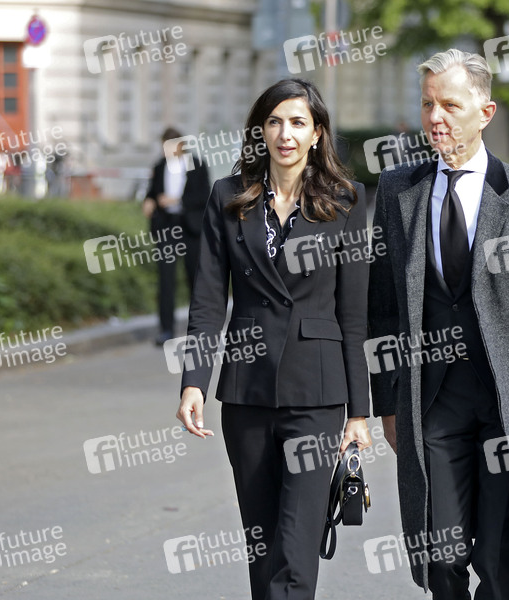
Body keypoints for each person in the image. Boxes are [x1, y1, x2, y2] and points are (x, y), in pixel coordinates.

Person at [368, 49, 509, 599]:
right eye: (427, 105)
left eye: (450, 105)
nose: (435, 117)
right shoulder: (397, 191)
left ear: (485, 113)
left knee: (496, 555)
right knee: (441, 555)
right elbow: (383, 307)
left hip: (508, 405)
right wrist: (388, 404)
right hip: (432, 402)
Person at [175, 78, 372, 600]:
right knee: (261, 549)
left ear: (317, 133)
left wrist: (359, 413)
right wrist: (194, 382)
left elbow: (353, 315)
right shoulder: (228, 197)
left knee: (297, 550)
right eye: (275, 122)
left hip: (317, 395)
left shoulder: (345, 201)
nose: (286, 134)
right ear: (260, 131)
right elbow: (208, 300)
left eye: (298, 123)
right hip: (247, 391)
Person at [143, 126, 211, 345]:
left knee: (195, 279)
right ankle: (166, 329)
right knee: (165, 280)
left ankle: (199, 330)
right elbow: (152, 191)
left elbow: (204, 195)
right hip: (166, 227)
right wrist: (149, 201)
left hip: (190, 228)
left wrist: (178, 201)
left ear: (181, 145)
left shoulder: (197, 165)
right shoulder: (159, 166)